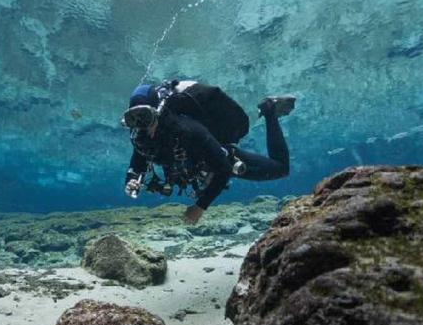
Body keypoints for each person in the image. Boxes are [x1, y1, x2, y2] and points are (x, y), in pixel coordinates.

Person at [122, 80, 295, 224]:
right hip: (199, 170)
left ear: (158, 112)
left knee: (281, 169)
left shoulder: (188, 130)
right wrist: (131, 181)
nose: (140, 125)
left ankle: (269, 109)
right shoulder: (140, 137)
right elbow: (138, 162)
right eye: (133, 119)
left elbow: (224, 169)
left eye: (144, 116)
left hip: (218, 158)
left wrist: (200, 207)